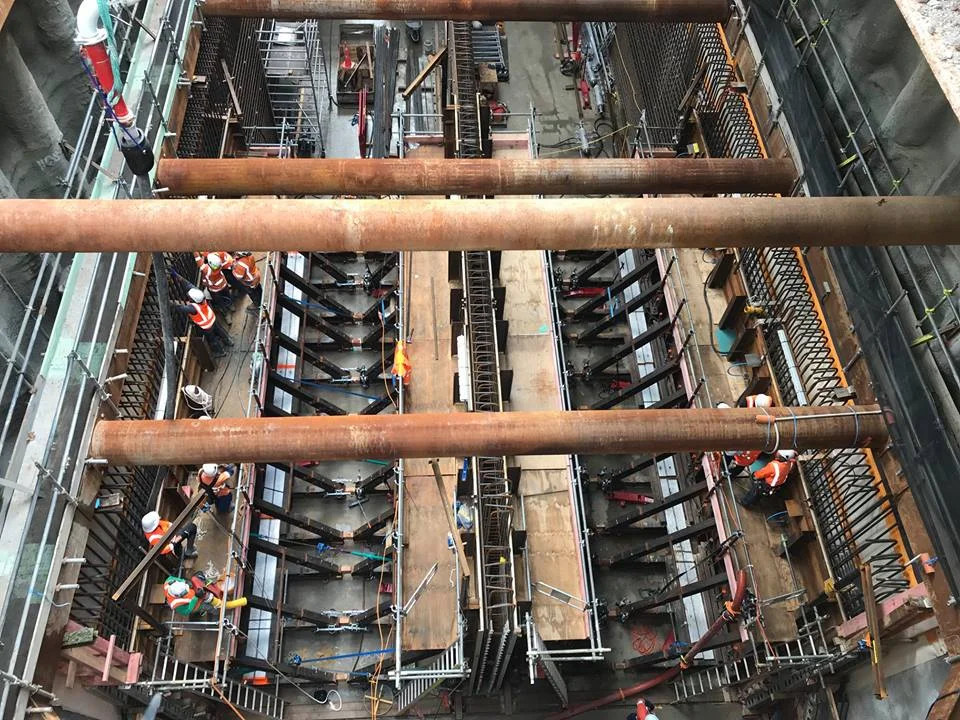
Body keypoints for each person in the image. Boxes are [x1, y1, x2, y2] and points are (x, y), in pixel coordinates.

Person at [170, 272, 234, 357]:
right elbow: (187, 284)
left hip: (207, 326)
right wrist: (176, 275)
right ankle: (228, 341)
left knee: (212, 339)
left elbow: (178, 307)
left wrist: (166, 300)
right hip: (212, 319)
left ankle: (220, 352)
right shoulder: (200, 295)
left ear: (192, 299)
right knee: (220, 331)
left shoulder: (193, 308)